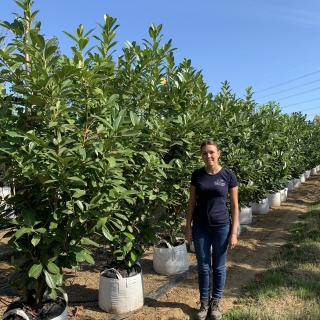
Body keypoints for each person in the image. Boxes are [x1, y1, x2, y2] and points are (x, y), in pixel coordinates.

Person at [185, 139, 239, 320]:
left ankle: (216, 302)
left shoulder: (228, 176)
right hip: (200, 227)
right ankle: (204, 303)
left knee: (219, 266)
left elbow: (234, 205)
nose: (208, 156)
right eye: (204, 153)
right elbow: (192, 202)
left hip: (222, 227)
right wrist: (188, 228)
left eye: (211, 152)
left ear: (218, 153)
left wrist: (233, 232)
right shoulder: (197, 175)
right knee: (203, 266)